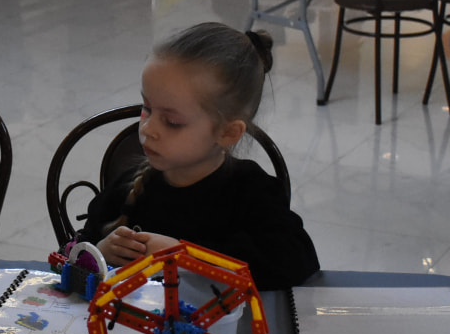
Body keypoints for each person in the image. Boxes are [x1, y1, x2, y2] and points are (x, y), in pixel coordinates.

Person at [75, 22, 320, 291]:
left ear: (227, 132)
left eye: (171, 121)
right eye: (146, 108)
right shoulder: (128, 187)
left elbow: (298, 263)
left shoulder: (252, 191)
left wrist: (189, 256)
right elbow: (71, 256)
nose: (147, 128)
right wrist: (98, 253)